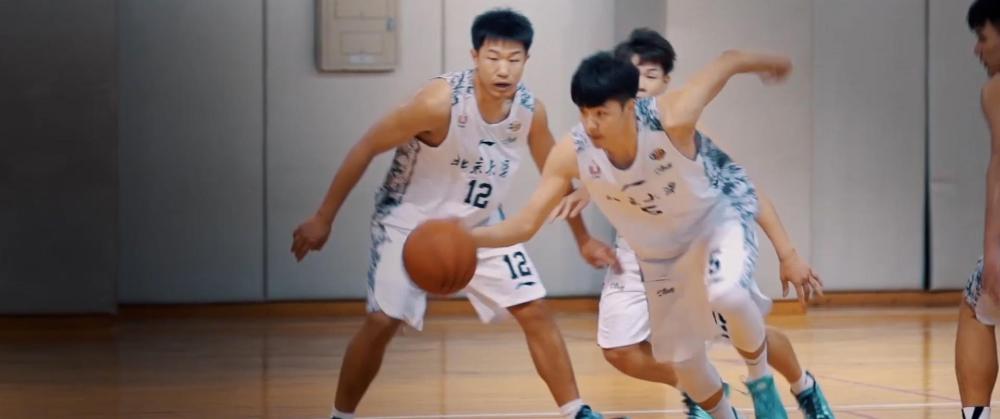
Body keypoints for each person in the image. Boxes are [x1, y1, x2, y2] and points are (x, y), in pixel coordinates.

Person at [291, 9, 616, 419]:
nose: (503, 69)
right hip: (408, 222)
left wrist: (583, 239)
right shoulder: (437, 103)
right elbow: (366, 146)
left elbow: (556, 174)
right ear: (475, 55)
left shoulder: (529, 112)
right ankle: (341, 416)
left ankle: (576, 411)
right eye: (493, 57)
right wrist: (323, 217)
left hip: (480, 224)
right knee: (382, 320)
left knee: (534, 308)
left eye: (513, 59)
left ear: (526, 61)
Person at [470, 49, 805, 418]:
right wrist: (467, 238)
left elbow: (727, 60)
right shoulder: (572, 152)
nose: (591, 125)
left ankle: (762, 385)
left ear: (629, 108)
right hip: (661, 256)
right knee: (686, 364)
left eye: (601, 114)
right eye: (584, 113)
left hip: (716, 223)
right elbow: (525, 223)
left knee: (727, 293)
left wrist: (770, 62)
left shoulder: (671, 118)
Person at [548, 29, 832, 419]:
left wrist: (789, 253)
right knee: (619, 350)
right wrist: (586, 196)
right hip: (639, 251)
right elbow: (583, 175)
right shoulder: (593, 139)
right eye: (631, 74)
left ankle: (803, 387)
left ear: (665, 82)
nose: (639, 84)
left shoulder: (680, 129)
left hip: (697, 244)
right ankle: (701, 391)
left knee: (743, 327)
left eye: (649, 75)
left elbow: (741, 188)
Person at [957, 2, 1000, 419]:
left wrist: (993, 251)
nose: (977, 49)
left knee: (977, 303)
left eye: (983, 38)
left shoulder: (996, 90)